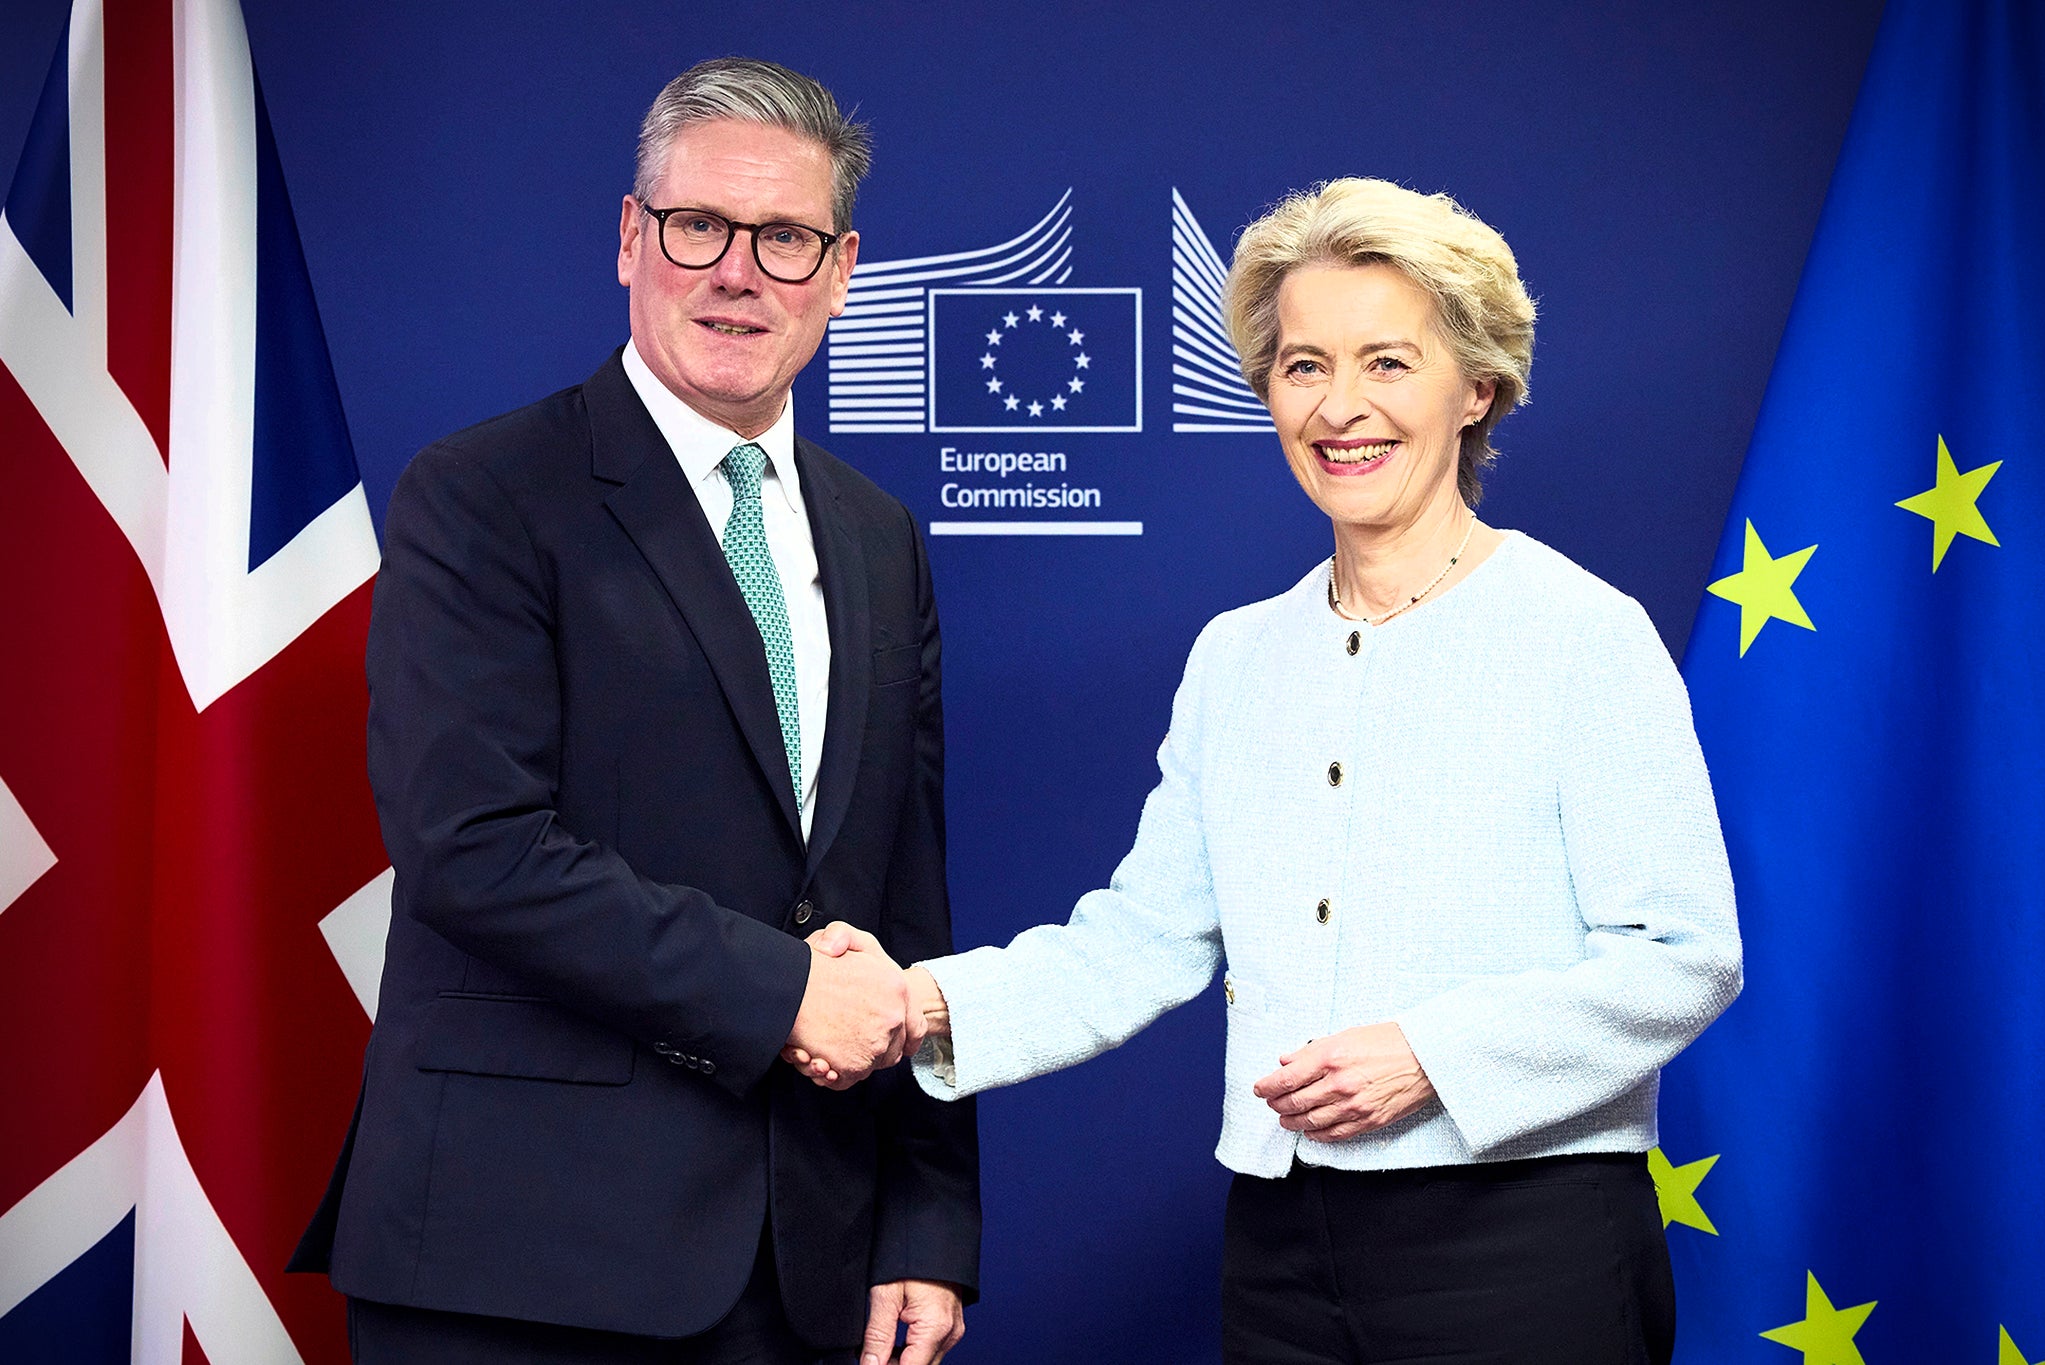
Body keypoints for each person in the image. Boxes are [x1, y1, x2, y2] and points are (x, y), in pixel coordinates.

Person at [798, 177, 1741, 1364]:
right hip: (1280, 1243)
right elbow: (1140, 939)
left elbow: (1684, 956)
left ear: (1477, 388)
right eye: (1302, 367)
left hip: (1523, 1242)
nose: (1338, 408)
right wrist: (918, 1004)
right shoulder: (1235, 655)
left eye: (1387, 363)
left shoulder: (1582, 634)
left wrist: (1431, 1058)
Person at [290, 58, 978, 1365]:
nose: (738, 271)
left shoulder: (881, 540)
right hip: (519, 1267)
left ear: (839, 273)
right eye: (698, 226)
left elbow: (906, 905)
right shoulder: (485, 496)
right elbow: (474, 847)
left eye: (784, 239)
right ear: (630, 239)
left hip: (805, 1267)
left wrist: (926, 1222)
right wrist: (786, 994)